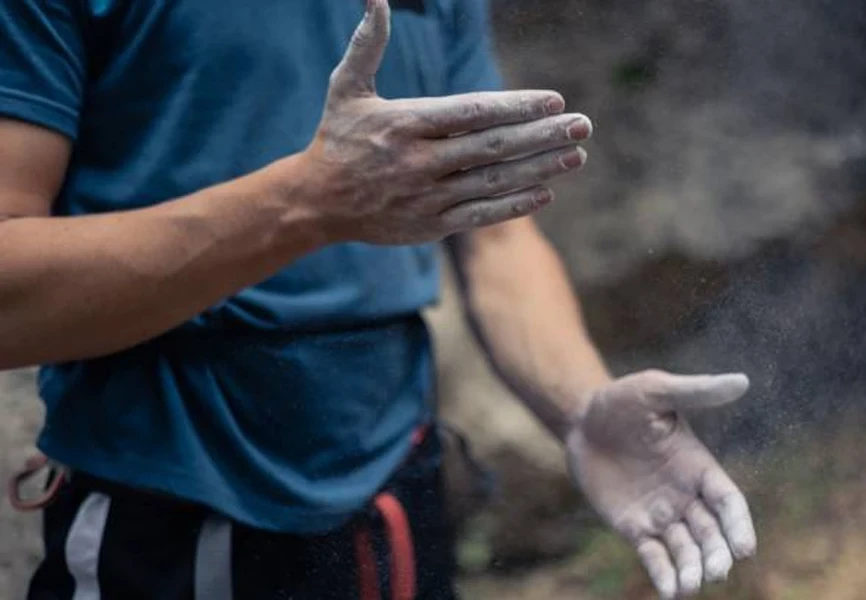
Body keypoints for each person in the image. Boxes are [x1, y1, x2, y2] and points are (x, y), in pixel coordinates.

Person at [0, 0, 757, 598]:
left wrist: (581, 405)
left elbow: (494, 233)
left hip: (397, 508)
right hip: (173, 507)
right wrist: (308, 202)